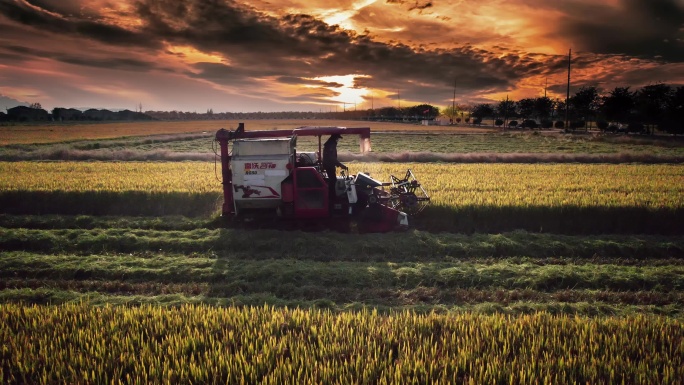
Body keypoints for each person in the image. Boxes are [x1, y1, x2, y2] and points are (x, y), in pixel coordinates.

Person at [322, 133, 348, 201]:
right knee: (333, 180)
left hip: (328, 164)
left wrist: (337, 164)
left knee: (333, 180)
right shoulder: (331, 145)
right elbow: (331, 158)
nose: (338, 140)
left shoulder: (329, 144)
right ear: (335, 138)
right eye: (337, 138)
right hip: (329, 165)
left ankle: (332, 196)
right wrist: (340, 165)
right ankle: (332, 197)